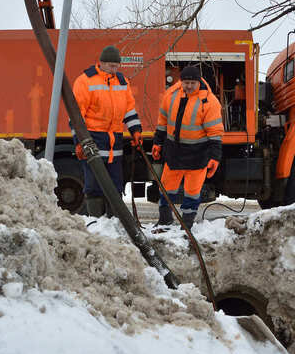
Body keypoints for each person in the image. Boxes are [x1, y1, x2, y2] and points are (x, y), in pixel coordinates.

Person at [72, 45, 142, 217]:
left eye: (116, 66)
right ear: (101, 63)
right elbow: (76, 116)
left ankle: (114, 220)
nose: (114, 69)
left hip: (115, 139)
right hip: (92, 138)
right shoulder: (85, 81)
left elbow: (129, 110)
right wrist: (80, 142)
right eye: (111, 66)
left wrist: (136, 131)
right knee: (94, 182)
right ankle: (96, 220)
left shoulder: (122, 82)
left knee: (115, 183)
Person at [152, 66, 224, 230]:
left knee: (192, 192)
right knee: (166, 187)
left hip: (197, 155)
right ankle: (164, 219)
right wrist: (157, 141)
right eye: (186, 82)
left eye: (192, 82)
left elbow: (215, 132)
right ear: (181, 81)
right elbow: (163, 121)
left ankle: (187, 224)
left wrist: (215, 157)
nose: (189, 86)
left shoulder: (209, 101)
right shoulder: (170, 95)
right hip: (174, 153)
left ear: (198, 81)